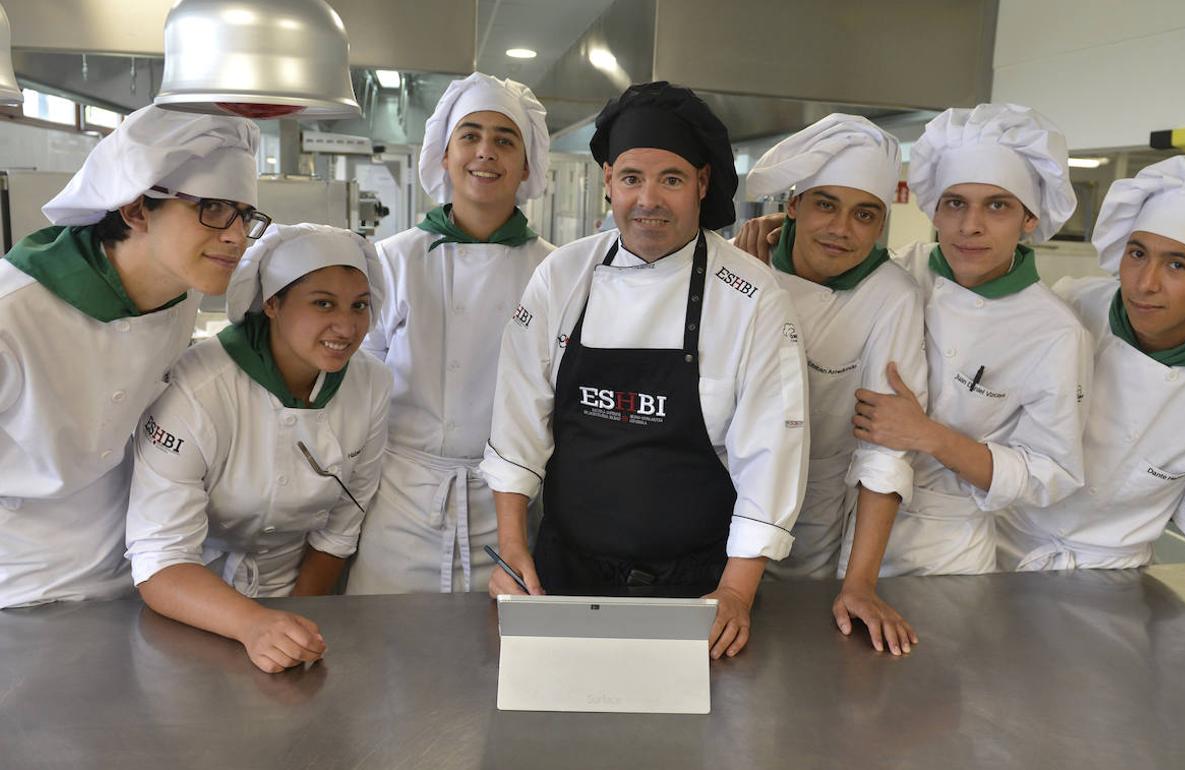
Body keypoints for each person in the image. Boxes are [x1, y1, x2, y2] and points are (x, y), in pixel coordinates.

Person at [482, 81, 809, 660]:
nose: (648, 199)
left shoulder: (752, 296)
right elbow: (517, 427)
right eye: (632, 178)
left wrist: (736, 590)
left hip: (697, 589)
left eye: (672, 179)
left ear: (702, 184)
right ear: (608, 181)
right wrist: (512, 548)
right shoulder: (563, 276)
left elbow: (770, 458)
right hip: (562, 577)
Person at [0, 105, 261, 608]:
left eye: (246, 214)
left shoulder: (182, 294)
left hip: (133, 573)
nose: (236, 235)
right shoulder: (14, 315)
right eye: (212, 208)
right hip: (19, 590)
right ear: (137, 208)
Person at [125, 223, 391, 673]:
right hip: (193, 603)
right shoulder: (200, 388)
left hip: (298, 590)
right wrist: (252, 624)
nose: (346, 326)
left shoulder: (371, 384)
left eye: (359, 306)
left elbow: (341, 528)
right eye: (322, 303)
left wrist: (297, 622)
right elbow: (161, 557)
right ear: (272, 303)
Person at [847, 103, 1093, 575]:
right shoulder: (895, 272)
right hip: (844, 516)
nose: (970, 225)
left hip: (943, 553)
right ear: (934, 208)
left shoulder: (1055, 332)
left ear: (1029, 219)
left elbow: (1051, 475)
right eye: (955, 203)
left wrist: (931, 437)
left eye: (997, 205)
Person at [346, 72, 554, 594]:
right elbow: (355, 391)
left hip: (509, 511)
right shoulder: (391, 261)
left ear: (525, 165)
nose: (486, 152)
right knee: (384, 658)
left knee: (495, 664)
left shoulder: (554, 271)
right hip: (399, 504)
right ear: (444, 154)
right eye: (470, 136)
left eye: (504, 140)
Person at [998, 156, 1185, 570]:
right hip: (996, 537)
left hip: (1108, 576)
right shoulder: (1071, 306)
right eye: (1137, 253)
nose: (1145, 283)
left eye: (1176, 264)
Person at [742, 113, 925, 655]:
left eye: (864, 215)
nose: (842, 230)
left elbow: (884, 449)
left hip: (814, 518)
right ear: (792, 206)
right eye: (826, 205)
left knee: (795, 660)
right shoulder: (743, 264)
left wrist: (860, 583)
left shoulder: (892, 296)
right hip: (716, 502)